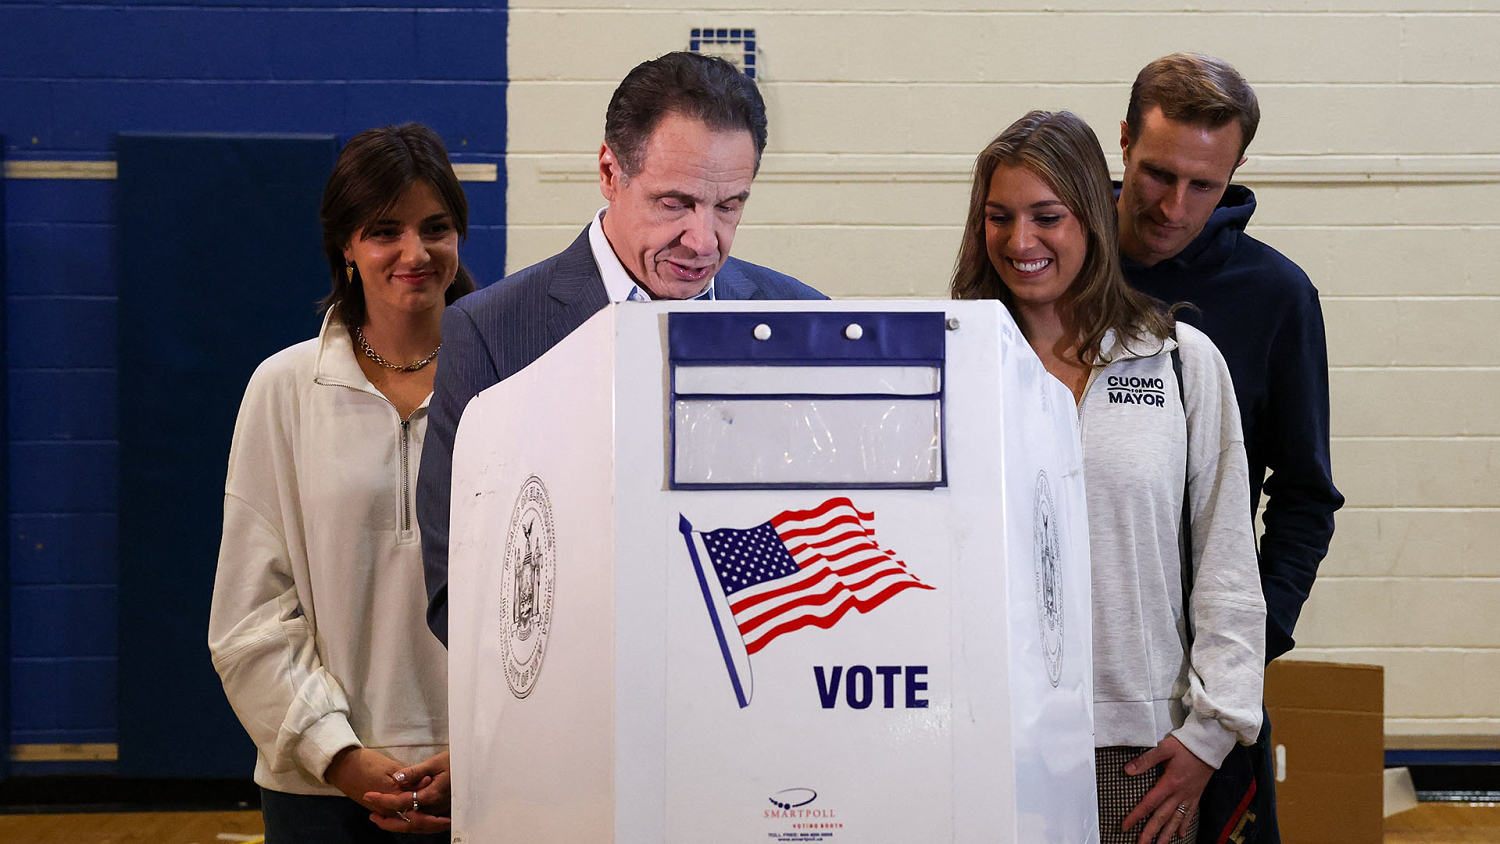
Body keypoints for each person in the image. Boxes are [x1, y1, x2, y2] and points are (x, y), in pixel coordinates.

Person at [417, 51, 825, 646]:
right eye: (675, 203)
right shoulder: (491, 333)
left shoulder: (803, 322)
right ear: (610, 172)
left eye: (729, 206)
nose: (703, 239)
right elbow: (454, 589)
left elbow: (818, 545)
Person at [952, 110, 1265, 844]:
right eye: (999, 217)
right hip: (985, 737)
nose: (1020, 242)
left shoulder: (1181, 361)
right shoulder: (953, 362)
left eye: (1046, 217)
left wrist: (1209, 736)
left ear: (1091, 216)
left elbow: (1227, 566)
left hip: (1140, 752)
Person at [209, 124, 471, 841]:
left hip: (487, 779)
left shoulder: (512, 382)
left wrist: (488, 753)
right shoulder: (285, 387)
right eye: (385, 231)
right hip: (321, 792)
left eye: (436, 228)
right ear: (347, 247)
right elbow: (248, 617)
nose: (415, 253)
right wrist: (340, 755)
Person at [1115, 53, 1344, 841]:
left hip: (1204, 687)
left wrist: (1245, 657)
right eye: (1156, 174)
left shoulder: (1276, 296)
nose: (1174, 206)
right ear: (1122, 143)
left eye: (1203, 185)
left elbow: (1307, 495)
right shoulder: (1053, 266)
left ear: (1236, 170)